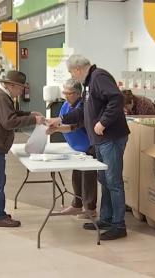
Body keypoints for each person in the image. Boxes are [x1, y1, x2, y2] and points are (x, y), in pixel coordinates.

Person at [47, 55, 130, 240]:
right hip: (100, 141)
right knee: (104, 179)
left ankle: (119, 224)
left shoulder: (99, 77)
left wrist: (103, 122)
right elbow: (82, 111)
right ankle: (107, 218)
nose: (72, 76)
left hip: (111, 138)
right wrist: (60, 119)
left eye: (71, 72)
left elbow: (117, 99)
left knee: (113, 181)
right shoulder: (89, 83)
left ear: (77, 69)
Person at [0, 70, 45, 228]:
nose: (21, 91)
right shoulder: (1, 97)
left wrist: (29, 114)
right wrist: (33, 119)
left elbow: (11, 113)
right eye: (20, 88)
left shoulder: (0, 95)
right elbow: (9, 121)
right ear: (11, 85)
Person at [46, 78, 98, 219]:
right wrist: (53, 127)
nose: (65, 95)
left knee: (88, 178)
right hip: (77, 148)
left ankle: (90, 209)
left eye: (67, 93)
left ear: (76, 93)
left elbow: (73, 125)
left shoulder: (84, 107)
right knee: (77, 176)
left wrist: (57, 128)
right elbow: (64, 122)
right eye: (63, 92)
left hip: (89, 146)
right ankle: (77, 205)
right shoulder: (66, 105)